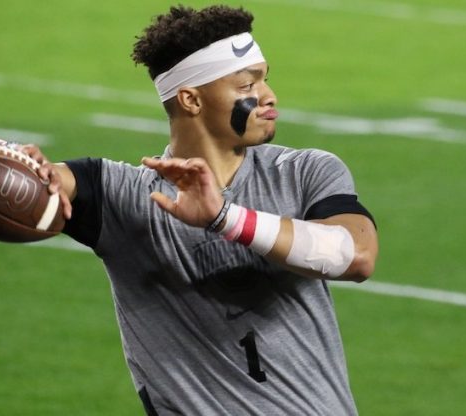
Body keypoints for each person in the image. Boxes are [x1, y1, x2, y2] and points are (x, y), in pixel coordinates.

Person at [25, 4, 378, 415]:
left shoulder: (303, 172)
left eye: (265, 79)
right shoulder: (123, 197)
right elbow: (47, 180)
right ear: (191, 99)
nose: (268, 96)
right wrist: (27, 173)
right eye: (247, 85)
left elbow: (356, 255)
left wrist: (225, 218)